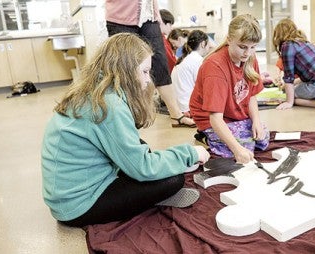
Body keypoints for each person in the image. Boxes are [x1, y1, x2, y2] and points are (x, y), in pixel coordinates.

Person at [41, 33, 210, 227]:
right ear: (127, 70)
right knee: (173, 180)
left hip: (66, 196)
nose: (148, 80)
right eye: (145, 71)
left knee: (141, 146)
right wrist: (189, 153)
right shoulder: (109, 104)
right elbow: (143, 167)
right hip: (78, 206)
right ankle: (148, 199)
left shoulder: (95, 89)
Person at [189, 14, 270, 164]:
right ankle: (205, 137)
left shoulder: (250, 58)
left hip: (234, 113)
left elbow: (251, 95)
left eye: (253, 47)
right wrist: (237, 150)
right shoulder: (215, 67)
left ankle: (231, 138)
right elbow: (215, 118)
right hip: (211, 118)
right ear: (229, 39)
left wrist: (256, 121)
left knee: (262, 139)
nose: (248, 53)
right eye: (243, 47)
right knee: (244, 147)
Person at [105, 0, 196, 128]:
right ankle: (128, 119)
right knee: (127, 66)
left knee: (160, 63)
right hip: (120, 16)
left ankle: (176, 115)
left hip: (149, 15)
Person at [171, 30, 211, 117]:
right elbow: (205, 89)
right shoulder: (198, 61)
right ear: (203, 44)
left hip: (177, 108)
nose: (209, 47)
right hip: (187, 109)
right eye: (208, 44)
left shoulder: (185, 59)